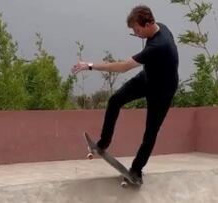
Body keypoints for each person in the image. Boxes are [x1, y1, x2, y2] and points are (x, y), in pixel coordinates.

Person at [72, 5, 179, 184]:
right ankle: (104, 142)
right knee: (115, 100)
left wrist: (90, 66)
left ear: (149, 23)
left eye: (138, 30)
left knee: (150, 132)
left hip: (163, 91)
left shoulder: (160, 45)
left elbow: (122, 67)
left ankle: (136, 171)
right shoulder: (159, 26)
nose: (137, 35)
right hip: (148, 78)